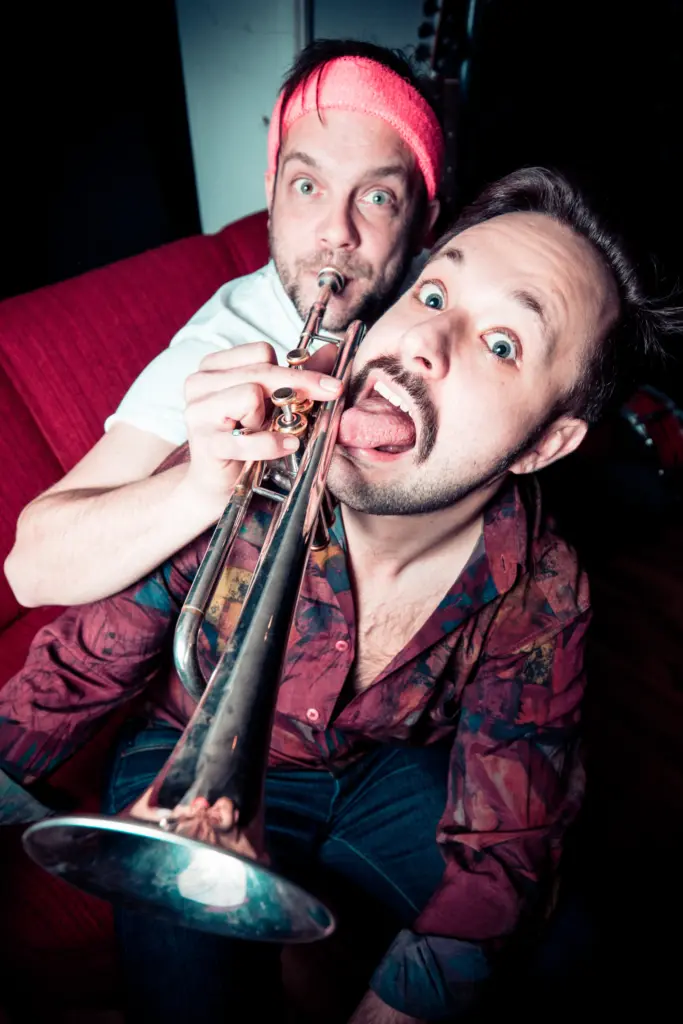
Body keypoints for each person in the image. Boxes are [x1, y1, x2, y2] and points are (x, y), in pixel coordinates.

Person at [1, 168, 678, 1024]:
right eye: (432, 293)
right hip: (180, 747)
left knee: (576, 952)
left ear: (547, 443)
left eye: (501, 344)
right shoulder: (250, 455)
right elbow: (83, 664)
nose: (424, 345)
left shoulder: (542, 586)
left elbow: (508, 845)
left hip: (380, 773)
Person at [4, 39, 443, 609]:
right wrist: (196, 489)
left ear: (423, 224)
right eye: (307, 187)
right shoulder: (224, 339)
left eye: (378, 196)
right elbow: (31, 567)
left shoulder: (441, 280)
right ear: (271, 195)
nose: (336, 231)